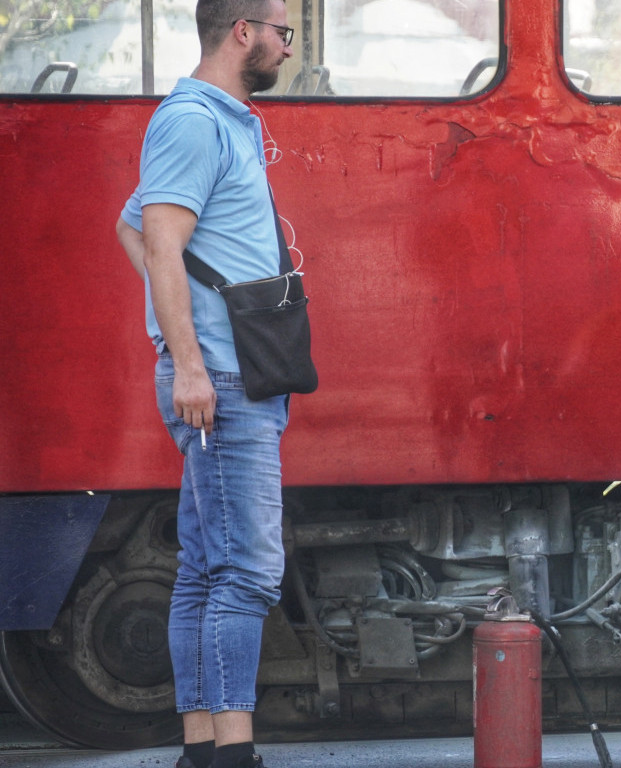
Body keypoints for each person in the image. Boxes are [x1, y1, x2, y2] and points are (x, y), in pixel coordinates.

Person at [114, 1, 294, 767]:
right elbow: (158, 241)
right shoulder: (193, 120)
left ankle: (201, 749)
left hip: (231, 370)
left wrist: (191, 306)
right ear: (243, 32)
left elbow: (134, 229)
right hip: (222, 379)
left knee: (203, 568)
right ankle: (232, 754)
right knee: (248, 571)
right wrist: (188, 356)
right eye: (283, 31)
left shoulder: (223, 119)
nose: (289, 46)